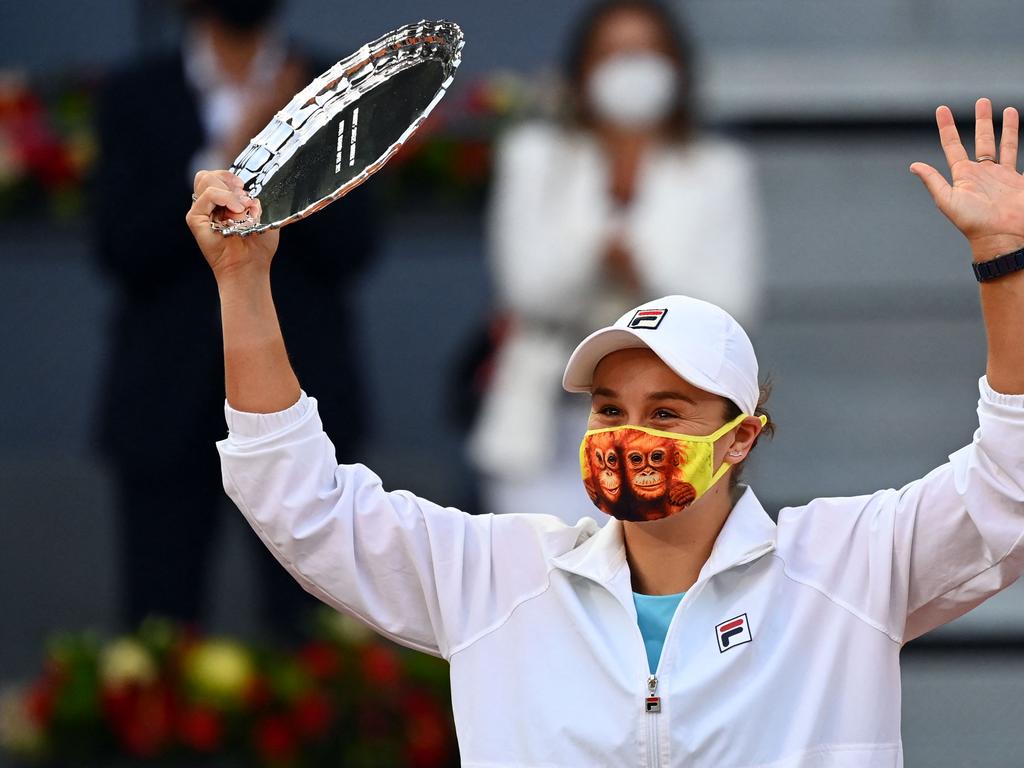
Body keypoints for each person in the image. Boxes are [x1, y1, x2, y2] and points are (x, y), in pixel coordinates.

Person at [187, 98, 1024, 765]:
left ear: (740, 438)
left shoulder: (849, 565)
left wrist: (1004, 264)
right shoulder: (496, 577)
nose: (628, 435)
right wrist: (242, 281)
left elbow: (1009, 485)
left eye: (667, 413)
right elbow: (298, 500)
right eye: (609, 410)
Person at [93, 0, 374, 637]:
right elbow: (122, 246)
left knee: (310, 623)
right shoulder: (136, 93)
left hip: (302, 394)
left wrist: (291, 170)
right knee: (160, 619)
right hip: (164, 400)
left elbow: (353, 247)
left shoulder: (331, 86)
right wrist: (233, 150)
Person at [469, 0, 763, 525]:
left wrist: (639, 260)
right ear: (583, 70)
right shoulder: (535, 154)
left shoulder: (717, 167)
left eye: (646, 52)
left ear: (676, 66)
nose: (630, 68)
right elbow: (527, 287)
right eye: (613, 53)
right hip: (542, 417)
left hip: (673, 432)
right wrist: (597, 245)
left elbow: (731, 306)